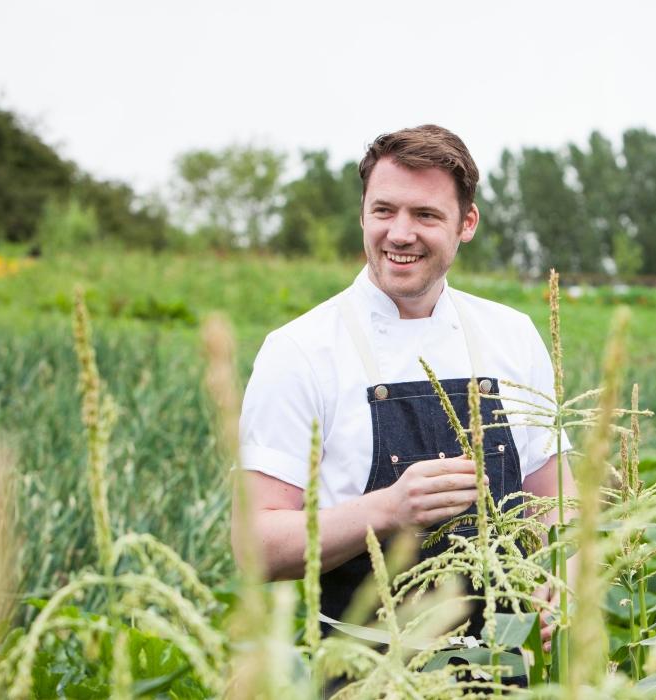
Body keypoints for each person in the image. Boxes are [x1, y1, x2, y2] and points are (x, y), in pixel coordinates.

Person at [232, 124, 574, 648]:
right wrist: (388, 509)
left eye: (426, 215)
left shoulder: (511, 336)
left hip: (505, 663)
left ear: (467, 223)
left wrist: (560, 580)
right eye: (383, 210)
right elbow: (255, 546)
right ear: (362, 214)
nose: (399, 233)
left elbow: (555, 502)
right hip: (365, 668)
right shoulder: (300, 351)